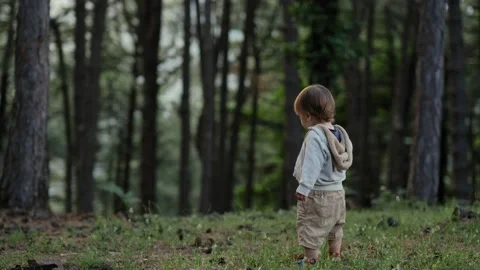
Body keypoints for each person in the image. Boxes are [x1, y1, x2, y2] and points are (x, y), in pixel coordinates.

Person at [292, 84, 353, 265]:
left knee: (310, 227)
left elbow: (312, 164)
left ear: (309, 116)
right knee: (336, 227)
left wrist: (304, 186)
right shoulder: (339, 134)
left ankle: (311, 260)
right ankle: (335, 257)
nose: (301, 121)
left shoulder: (315, 136)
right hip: (338, 193)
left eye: (301, 117)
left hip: (318, 194)